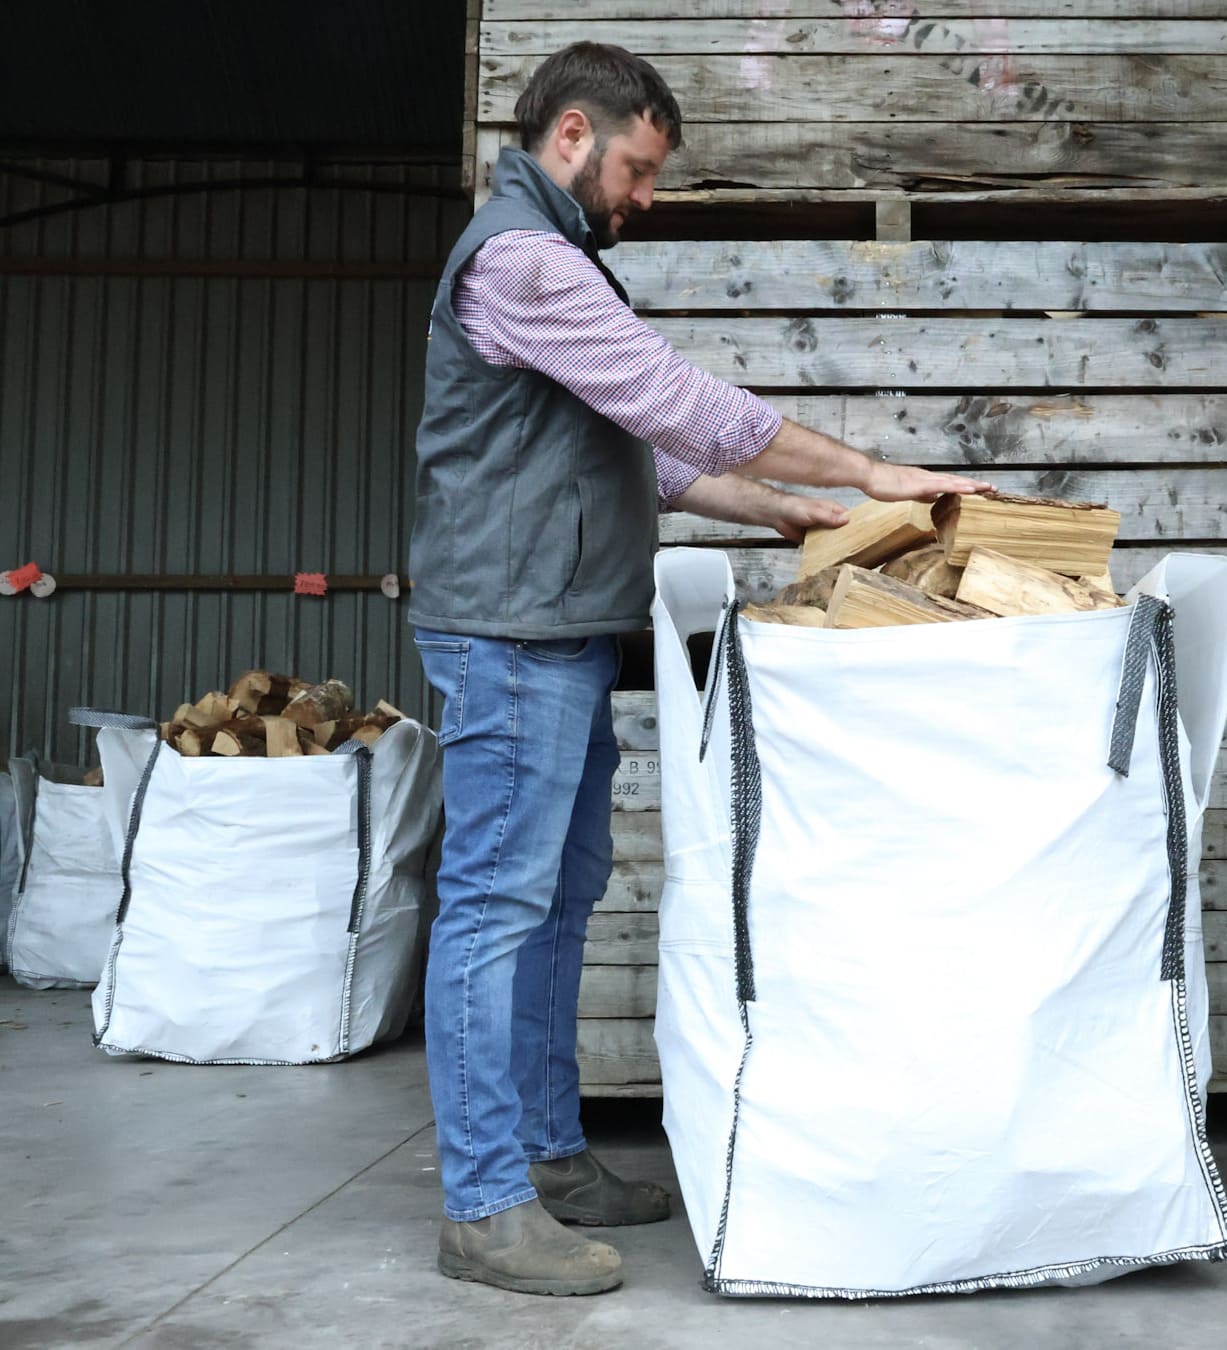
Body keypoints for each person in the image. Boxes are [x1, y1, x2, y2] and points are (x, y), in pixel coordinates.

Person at [408, 41, 993, 1298]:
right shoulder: (520, 260)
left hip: (556, 626)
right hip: (509, 633)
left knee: (558, 901)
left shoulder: (560, 267)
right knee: (496, 910)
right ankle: (483, 1202)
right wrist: (868, 475)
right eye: (640, 168)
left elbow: (651, 463)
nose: (648, 197)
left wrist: (783, 515)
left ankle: (550, 1159)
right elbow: (678, 405)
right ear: (572, 134)